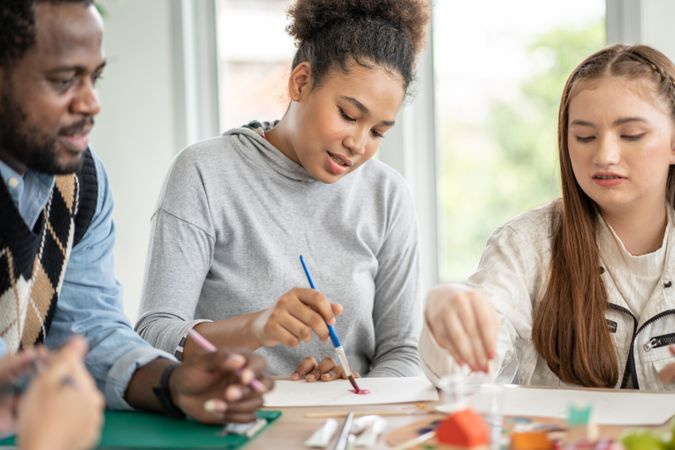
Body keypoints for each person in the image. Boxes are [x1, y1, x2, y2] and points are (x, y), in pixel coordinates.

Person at [0, 0, 272, 426]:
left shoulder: (79, 183)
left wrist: (176, 383)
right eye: (63, 80)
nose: (91, 103)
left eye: (95, 78)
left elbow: (90, 329)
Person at [136, 0, 430, 381]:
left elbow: (402, 353)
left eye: (377, 132)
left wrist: (354, 392)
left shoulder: (387, 196)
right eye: (348, 115)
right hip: (229, 422)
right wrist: (256, 329)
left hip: (348, 429)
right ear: (301, 82)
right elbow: (154, 334)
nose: (358, 144)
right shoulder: (205, 172)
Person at [420, 44, 675, 391]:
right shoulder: (525, 245)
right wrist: (445, 318)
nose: (605, 155)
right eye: (584, 137)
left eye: (631, 135)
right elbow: (462, 375)